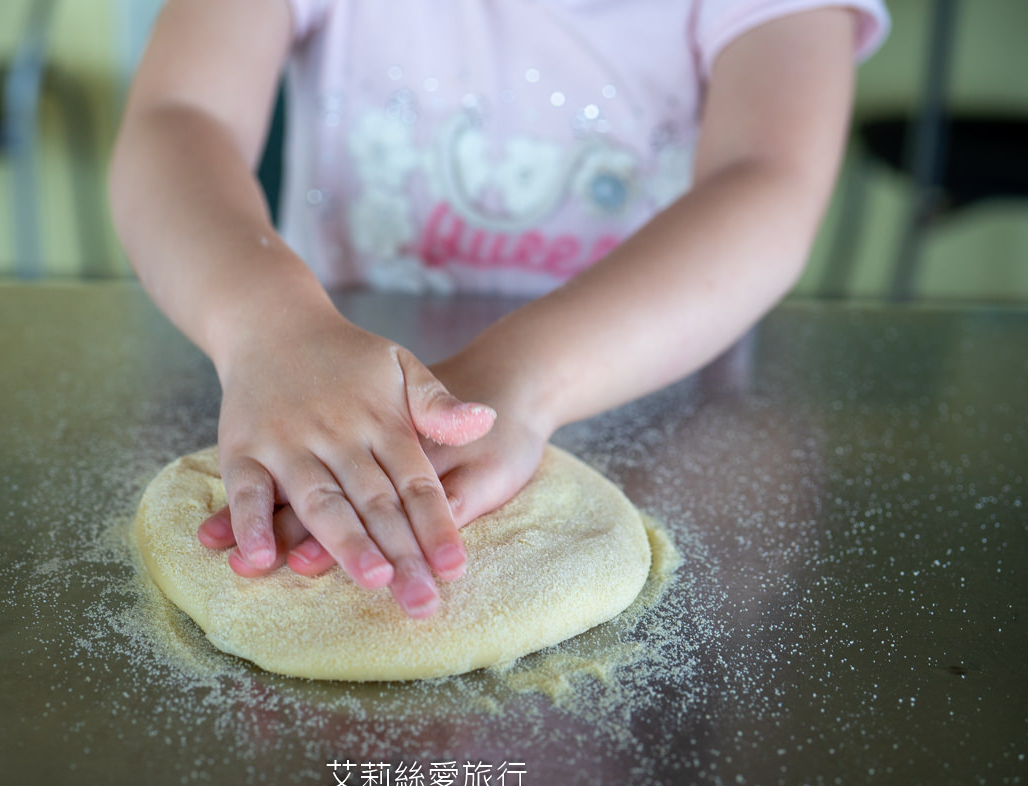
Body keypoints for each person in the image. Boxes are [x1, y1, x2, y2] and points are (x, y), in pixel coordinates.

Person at [109, 0, 889, 619]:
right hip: (324, 398)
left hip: (659, 403)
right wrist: (270, 331)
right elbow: (179, 118)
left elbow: (768, 181)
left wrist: (517, 380)